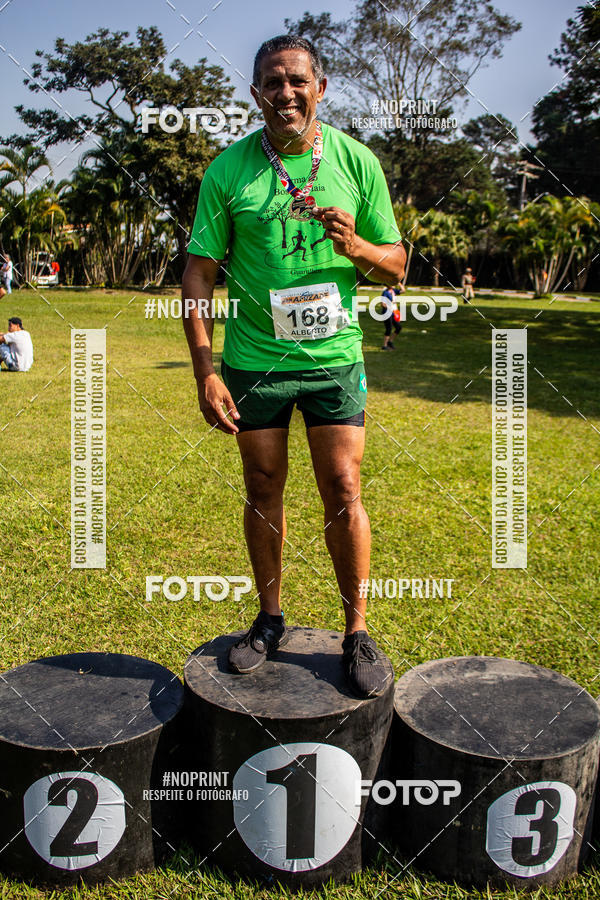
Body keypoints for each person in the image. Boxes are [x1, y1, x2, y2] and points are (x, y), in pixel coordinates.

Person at [182, 35, 406, 698]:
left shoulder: (356, 162)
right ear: (256, 94)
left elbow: (395, 264)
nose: (285, 93)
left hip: (334, 357)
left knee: (343, 488)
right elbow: (197, 272)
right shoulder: (229, 171)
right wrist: (204, 368)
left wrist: (355, 243)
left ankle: (357, 630)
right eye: (272, 83)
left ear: (320, 88)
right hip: (254, 360)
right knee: (262, 486)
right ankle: (270, 618)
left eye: (297, 81)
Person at [381, 285, 402, 350]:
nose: (393, 284)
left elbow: (403, 290)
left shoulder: (394, 291)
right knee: (389, 329)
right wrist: (390, 306)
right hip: (387, 313)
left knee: (398, 327)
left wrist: (399, 284)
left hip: (393, 313)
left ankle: (390, 342)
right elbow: (382, 304)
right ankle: (384, 346)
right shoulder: (385, 292)